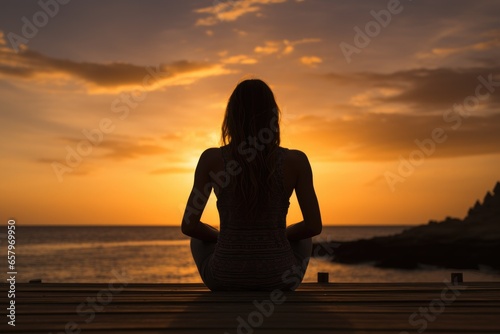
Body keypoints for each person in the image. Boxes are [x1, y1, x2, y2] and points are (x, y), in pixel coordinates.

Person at [181, 79, 322, 291]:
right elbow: (313, 226)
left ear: (232, 117)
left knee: (198, 239)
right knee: (305, 239)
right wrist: (277, 236)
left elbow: (189, 225)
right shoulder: (296, 161)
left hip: (224, 279)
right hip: (280, 280)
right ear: (273, 116)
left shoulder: (212, 159)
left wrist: (224, 237)